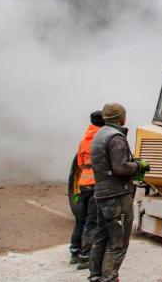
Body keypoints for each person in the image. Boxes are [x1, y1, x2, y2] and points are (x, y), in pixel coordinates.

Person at [88, 103, 150, 282]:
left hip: (102, 194)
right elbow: (120, 168)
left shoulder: (99, 134)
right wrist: (139, 164)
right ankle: (109, 278)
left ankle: (95, 276)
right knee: (118, 242)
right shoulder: (116, 137)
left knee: (101, 237)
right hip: (116, 196)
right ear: (119, 117)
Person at [69, 111, 105, 269]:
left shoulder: (83, 141)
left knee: (80, 220)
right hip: (96, 184)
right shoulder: (102, 140)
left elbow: (80, 163)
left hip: (84, 183)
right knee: (92, 221)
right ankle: (85, 256)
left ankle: (74, 253)